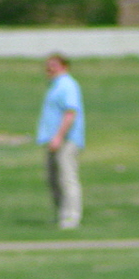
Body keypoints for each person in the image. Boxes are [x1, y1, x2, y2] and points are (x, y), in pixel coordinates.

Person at [37, 53, 85, 230]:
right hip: (53, 140)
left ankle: (71, 217)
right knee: (53, 179)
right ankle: (60, 214)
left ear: (64, 67)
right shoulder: (54, 86)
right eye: (48, 66)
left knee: (67, 178)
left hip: (66, 140)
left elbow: (70, 113)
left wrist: (59, 136)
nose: (49, 69)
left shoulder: (67, 85)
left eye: (54, 65)